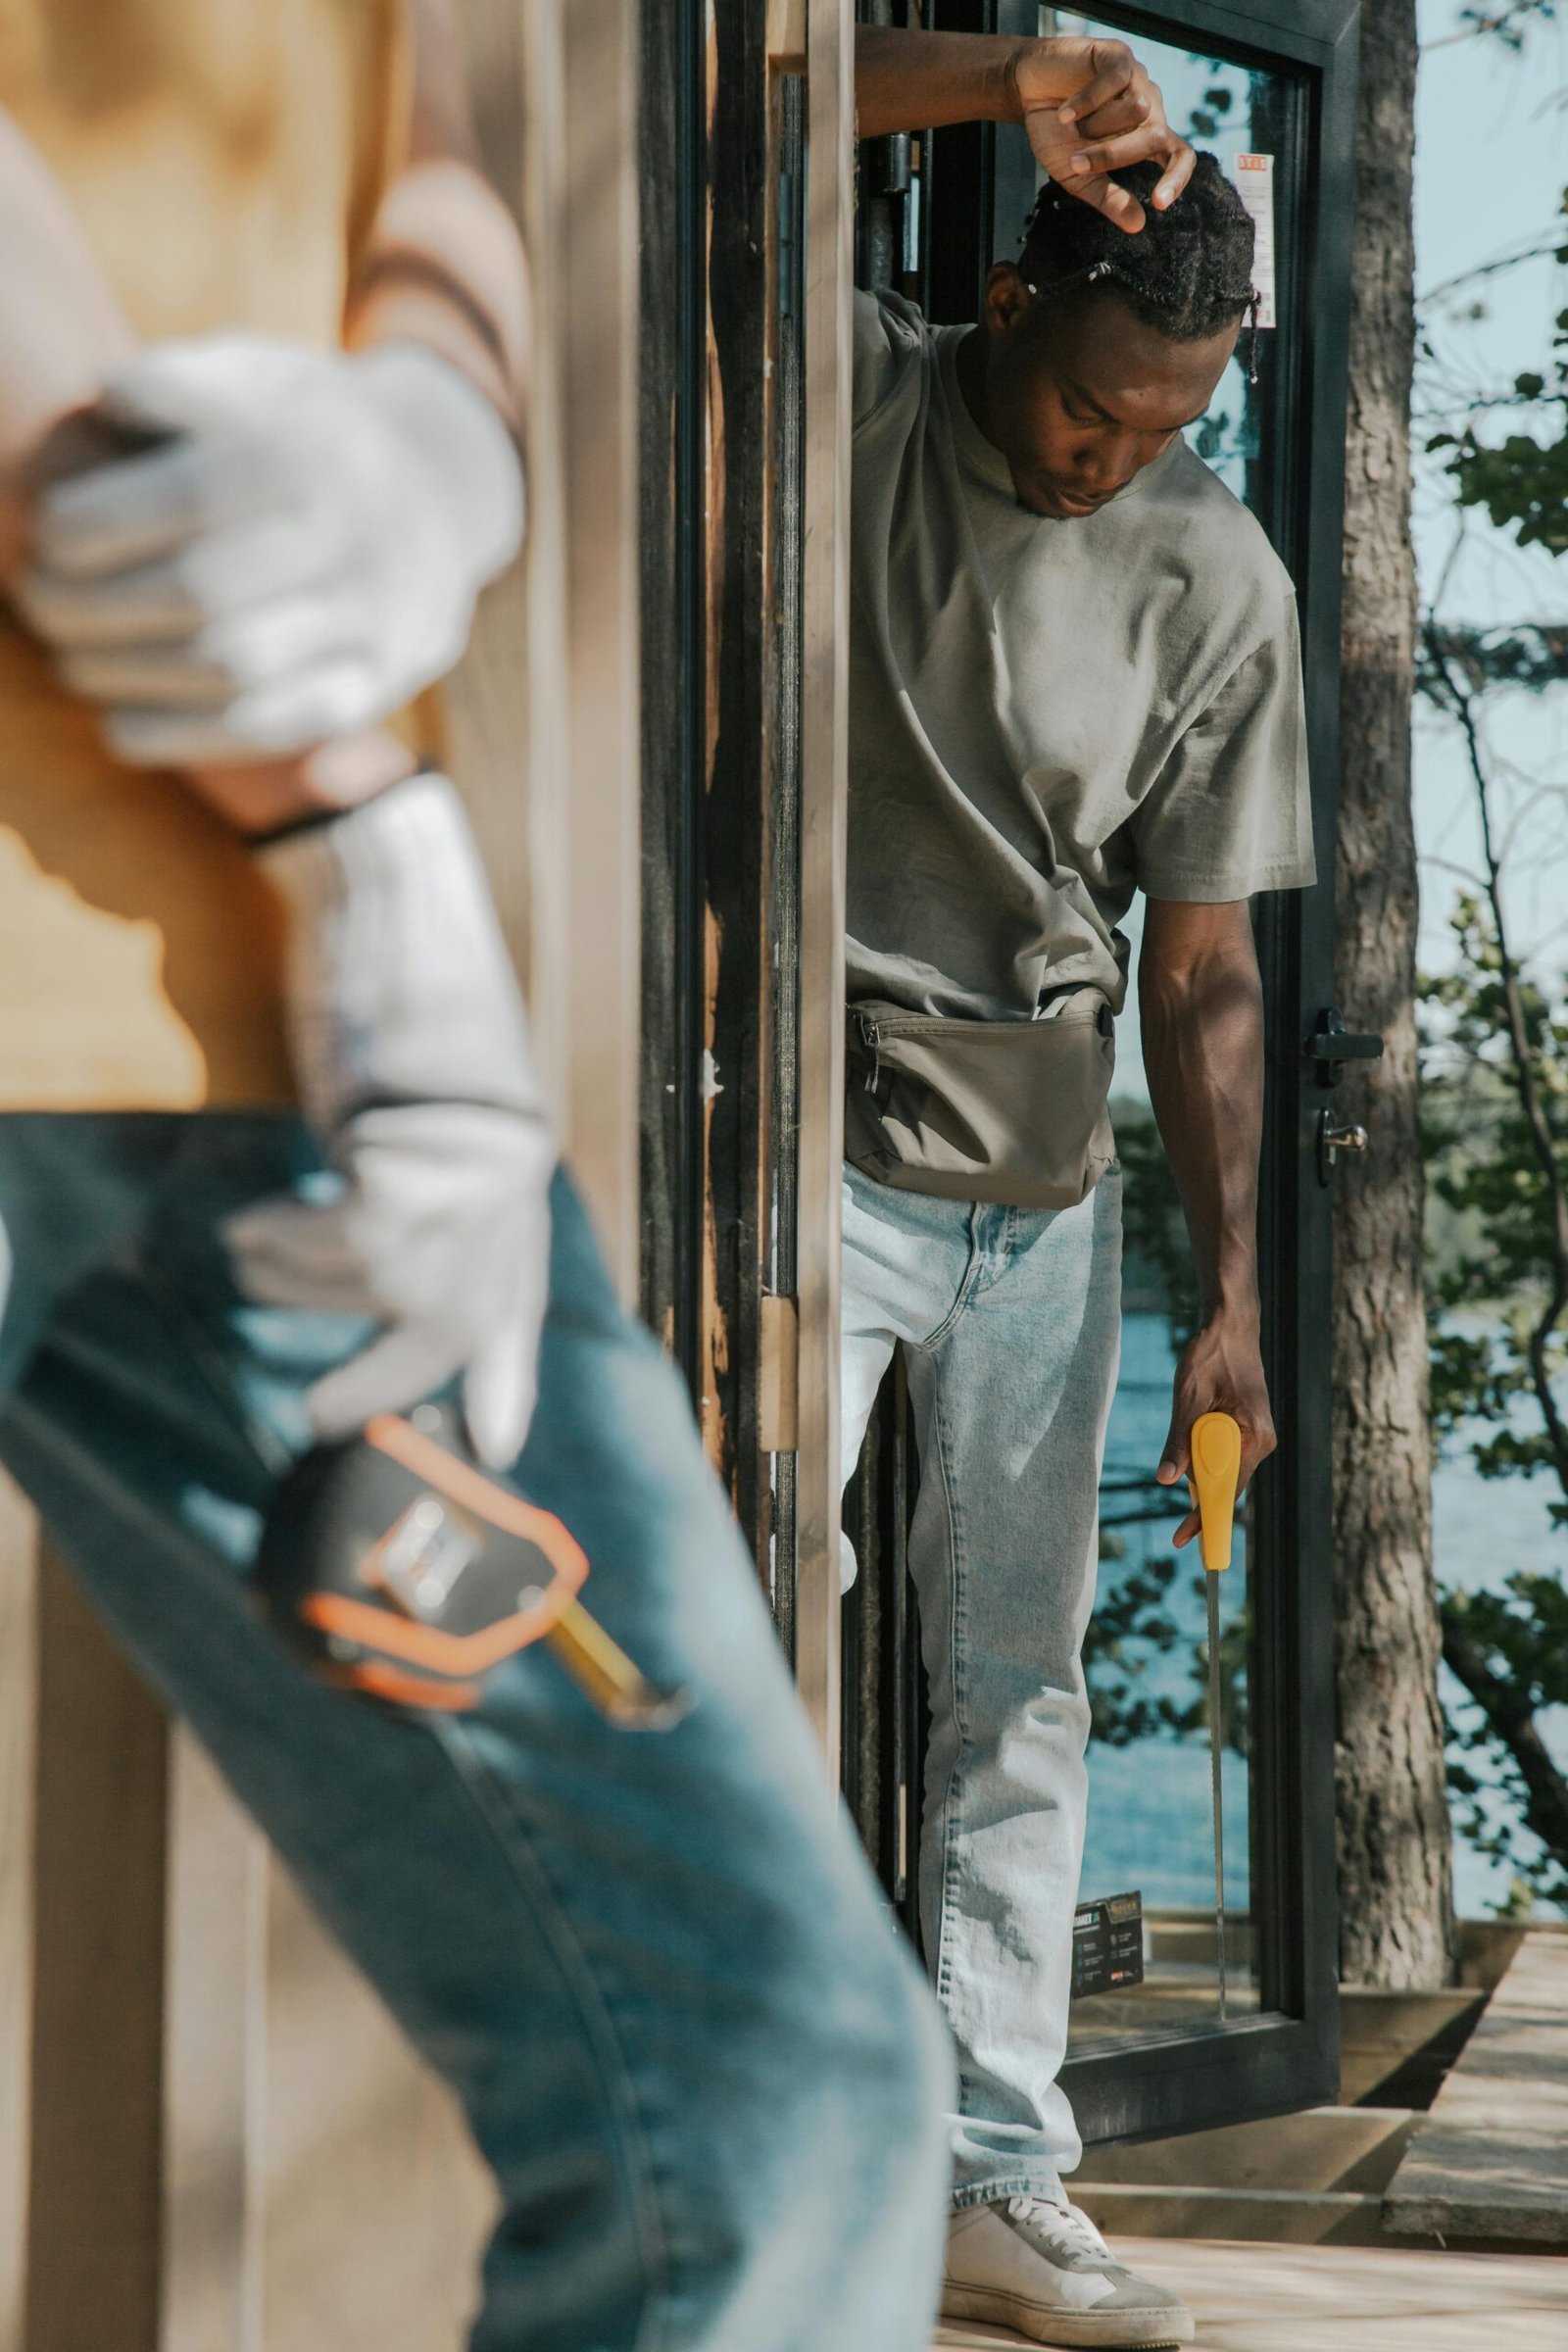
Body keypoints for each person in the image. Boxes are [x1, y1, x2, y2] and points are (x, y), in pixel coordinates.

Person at [0, 7, 959, 2346]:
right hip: (231, 984)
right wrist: (344, 820)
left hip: (269, 1060)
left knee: (774, 2098)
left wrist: (449, 435)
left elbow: (422, 137)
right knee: (767, 2101)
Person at [844, 26, 1313, 2349]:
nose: (1108, 460)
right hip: (791, 1139)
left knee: (1018, 1688)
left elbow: (1204, 960)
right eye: (1089, 408)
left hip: (1037, 1183)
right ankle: (741, 2127)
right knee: (739, 1612)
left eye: (1169, 428)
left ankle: (988, 2179)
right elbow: (673, 148)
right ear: (1017, 308)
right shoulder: (842, 395)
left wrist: (1224, 1298)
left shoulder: (1207, 571)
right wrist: (999, 84)